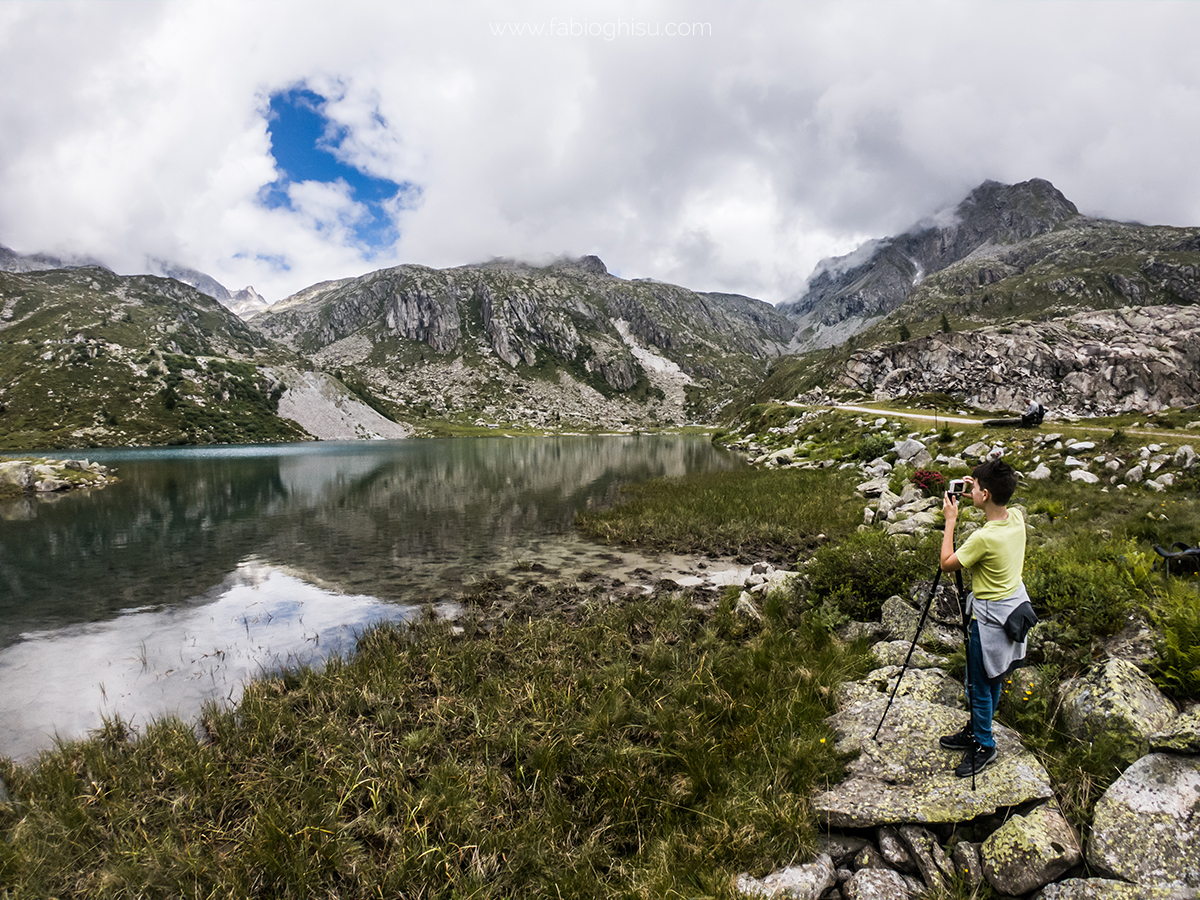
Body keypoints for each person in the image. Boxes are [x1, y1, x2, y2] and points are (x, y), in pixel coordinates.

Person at [938, 459, 1033, 777]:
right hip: (1013, 614)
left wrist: (950, 520)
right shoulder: (1016, 518)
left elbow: (947, 563)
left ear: (986, 493)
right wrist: (978, 491)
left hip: (989, 622)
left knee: (978, 685)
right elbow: (1000, 502)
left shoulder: (983, 538)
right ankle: (978, 729)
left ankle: (984, 744)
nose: (971, 490)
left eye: (975, 488)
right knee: (994, 678)